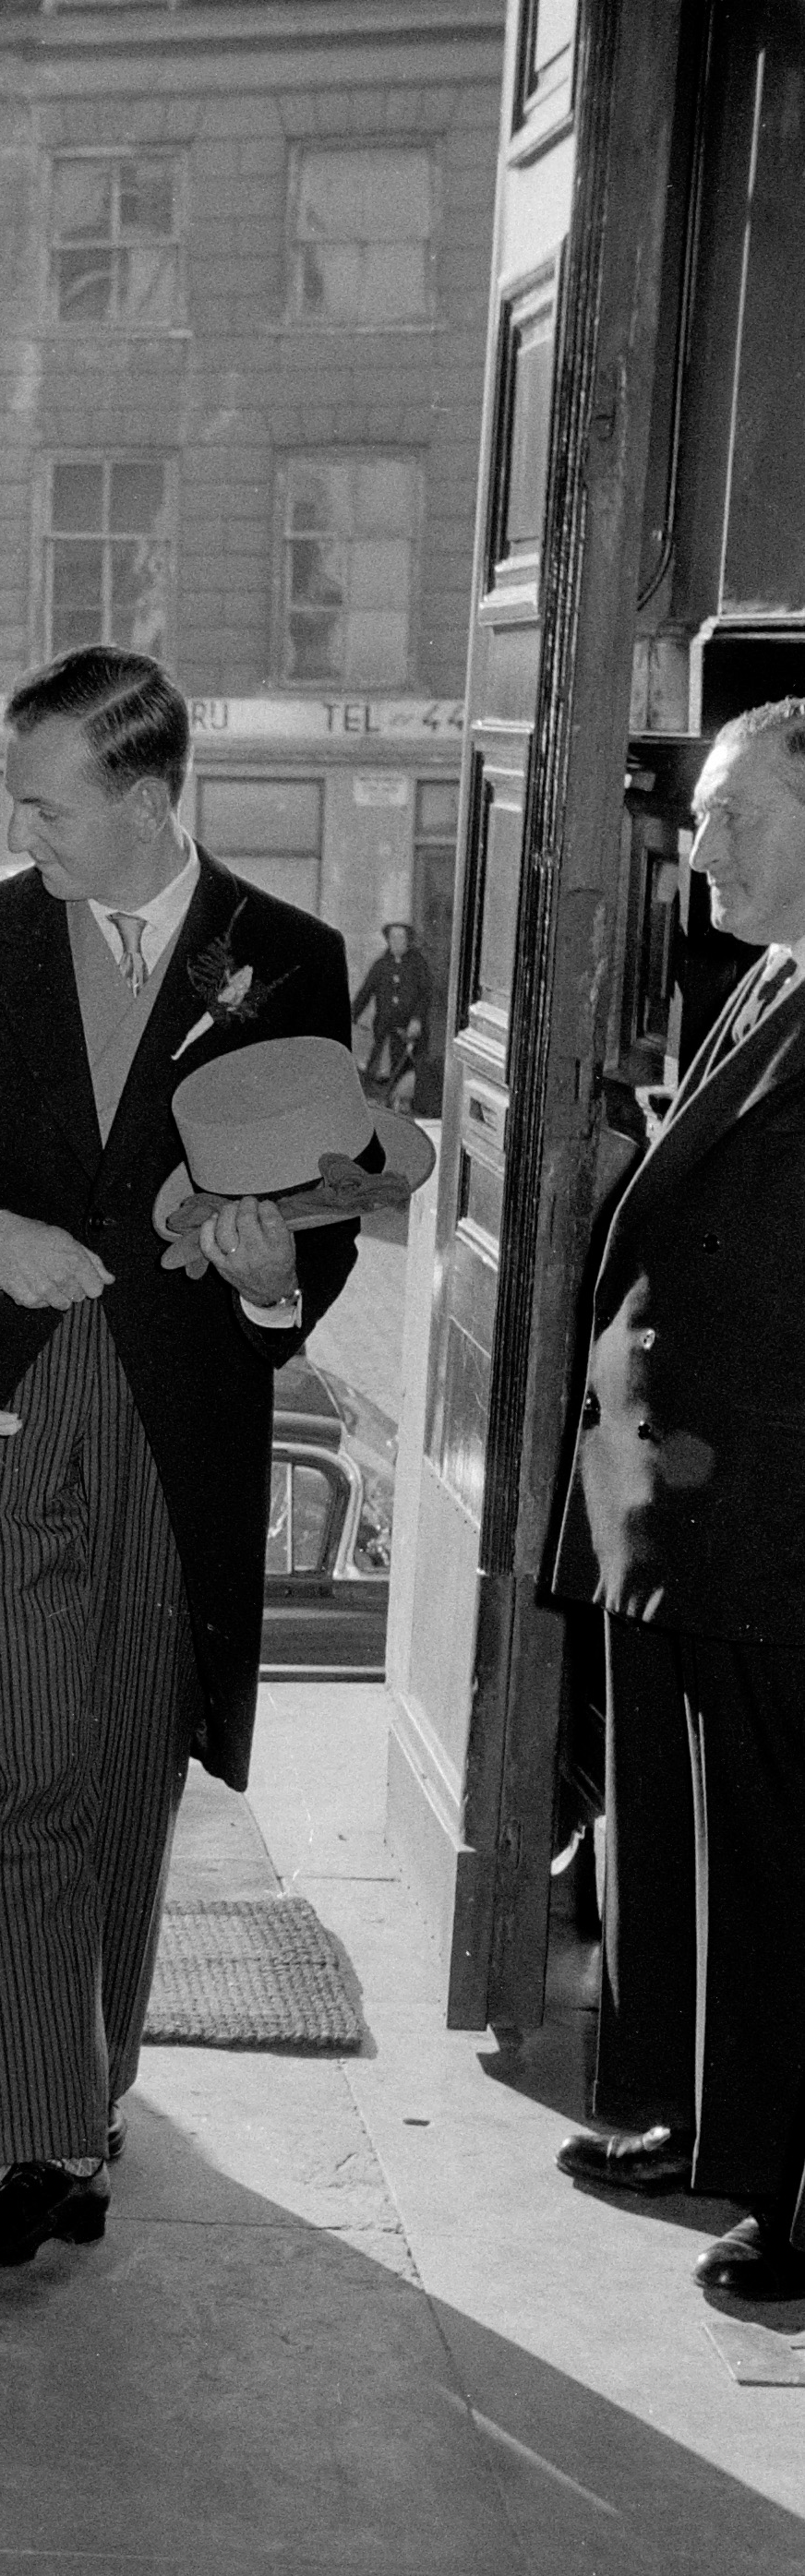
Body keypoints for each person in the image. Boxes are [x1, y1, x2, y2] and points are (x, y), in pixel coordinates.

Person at [0, 646, 365, 2268]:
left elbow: (323, 1209)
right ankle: (41, 2140)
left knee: (128, 1771)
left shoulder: (287, 958)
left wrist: (270, 1277)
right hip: (5, 1402)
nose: (23, 834)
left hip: (177, 1419)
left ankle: (85, 2094)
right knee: (10, 1763)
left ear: (145, 800)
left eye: (46, 806)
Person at [549, 698, 805, 2301]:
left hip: (769, 1518)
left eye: (734, 813)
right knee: (676, 1843)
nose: (696, 843)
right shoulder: (766, 974)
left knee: (775, 1868)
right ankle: (697, 2115)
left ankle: (791, 2196)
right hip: (669, 1512)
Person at [352, 922, 432, 1114]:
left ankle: (405, 1111)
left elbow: (426, 995)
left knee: (408, 1073)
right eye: (393, 938)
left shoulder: (417, 965)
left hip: (410, 1034)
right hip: (386, 1032)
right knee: (379, 1075)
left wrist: (417, 1020)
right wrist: (351, 1015)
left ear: (408, 940)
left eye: (401, 937)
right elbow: (365, 993)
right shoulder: (381, 965)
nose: (397, 941)